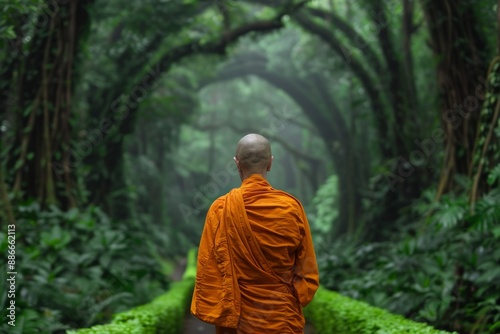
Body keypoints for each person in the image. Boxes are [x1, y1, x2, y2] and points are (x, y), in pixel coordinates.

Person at [190, 133, 319, 334]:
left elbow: (209, 271)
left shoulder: (221, 209)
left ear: (237, 164)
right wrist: (291, 295)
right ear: (270, 163)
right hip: (281, 318)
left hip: (237, 320)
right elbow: (307, 270)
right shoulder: (291, 207)